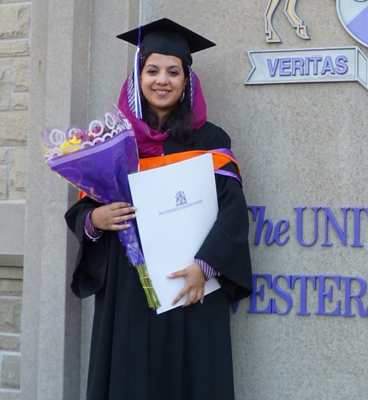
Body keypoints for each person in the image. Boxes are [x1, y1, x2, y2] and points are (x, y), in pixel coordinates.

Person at [64, 18, 252, 400]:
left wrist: (205, 267)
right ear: (138, 77)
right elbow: (85, 211)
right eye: (152, 70)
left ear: (187, 81)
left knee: (191, 378)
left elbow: (233, 213)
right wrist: (96, 220)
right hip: (128, 289)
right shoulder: (115, 141)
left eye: (173, 71)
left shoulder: (210, 140)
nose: (161, 80)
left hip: (190, 285)